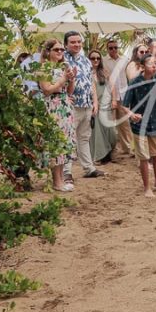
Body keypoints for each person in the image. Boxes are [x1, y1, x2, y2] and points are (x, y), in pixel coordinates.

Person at [122, 55, 156, 197]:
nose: (154, 65)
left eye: (155, 63)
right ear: (143, 66)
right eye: (151, 63)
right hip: (139, 124)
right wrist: (132, 115)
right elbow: (124, 105)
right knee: (143, 156)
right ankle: (147, 188)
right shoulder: (134, 82)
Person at [63, 31, 104, 180]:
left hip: (87, 104)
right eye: (73, 42)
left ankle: (89, 168)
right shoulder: (62, 59)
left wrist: (95, 101)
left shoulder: (86, 60)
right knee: (68, 139)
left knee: (84, 137)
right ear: (66, 44)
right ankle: (66, 171)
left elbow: (91, 82)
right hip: (71, 106)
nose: (77, 44)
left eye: (79, 42)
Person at [38, 39, 76, 192]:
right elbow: (46, 89)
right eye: (56, 49)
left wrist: (72, 79)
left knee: (63, 143)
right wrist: (63, 79)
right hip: (52, 107)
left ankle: (60, 180)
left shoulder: (63, 66)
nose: (60, 52)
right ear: (48, 51)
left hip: (64, 106)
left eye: (61, 49)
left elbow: (69, 91)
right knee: (54, 144)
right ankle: (57, 182)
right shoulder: (44, 68)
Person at [102, 39, 133, 159]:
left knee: (124, 124)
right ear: (107, 49)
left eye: (115, 47)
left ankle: (127, 149)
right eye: (111, 48)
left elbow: (130, 76)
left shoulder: (125, 60)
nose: (113, 50)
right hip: (109, 96)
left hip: (124, 95)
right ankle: (111, 150)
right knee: (110, 124)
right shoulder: (103, 61)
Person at [88, 50, 116, 165]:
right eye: (93, 58)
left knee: (110, 131)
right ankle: (99, 155)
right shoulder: (86, 73)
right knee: (97, 132)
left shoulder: (104, 72)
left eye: (98, 58)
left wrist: (114, 100)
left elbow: (112, 86)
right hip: (94, 105)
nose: (95, 60)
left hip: (106, 104)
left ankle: (109, 153)